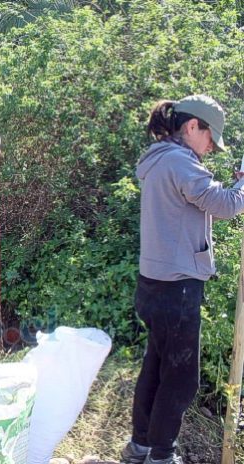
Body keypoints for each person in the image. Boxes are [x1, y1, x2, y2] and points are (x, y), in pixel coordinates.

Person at [120, 95, 244, 464]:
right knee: (182, 377)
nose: (211, 148)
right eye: (210, 138)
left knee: (156, 366)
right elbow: (224, 205)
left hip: (154, 283)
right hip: (178, 288)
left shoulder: (160, 159)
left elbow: (207, 201)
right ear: (192, 127)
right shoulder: (179, 161)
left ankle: (139, 447)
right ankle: (161, 454)